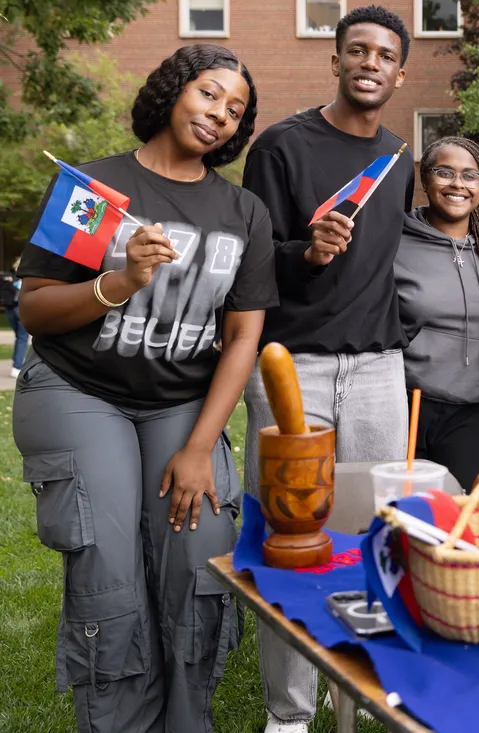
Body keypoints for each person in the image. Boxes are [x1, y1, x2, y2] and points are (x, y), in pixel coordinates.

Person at [12, 44, 273, 733]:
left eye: (236, 110)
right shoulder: (93, 190)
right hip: (78, 387)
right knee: (110, 566)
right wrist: (120, 282)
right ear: (174, 91)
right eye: (210, 94)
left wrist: (199, 445)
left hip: (181, 400)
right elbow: (35, 309)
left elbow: (242, 336)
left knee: (199, 553)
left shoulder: (243, 213)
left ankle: (189, 722)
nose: (220, 114)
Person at [239, 6, 413, 731]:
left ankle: (362, 684)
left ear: (400, 73)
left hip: (378, 368)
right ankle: (288, 711)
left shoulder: (399, 155)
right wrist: (303, 252)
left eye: (383, 55)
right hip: (292, 369)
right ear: (335, 61)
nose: (370, 62)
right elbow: (250, 261)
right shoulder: (282, 146)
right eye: (357, 50)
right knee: (290, 536)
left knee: (373, 535)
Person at [394, 136, 479, 491]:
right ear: (426, 179)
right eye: (445, 172)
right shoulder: (395, 240)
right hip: (407, 406)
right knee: (406, 521)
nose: (458, 184)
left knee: (474, 519)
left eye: (470, 176)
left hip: (471, 413)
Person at [1, 257, 29, 377]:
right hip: (20, 309)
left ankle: (16, 363)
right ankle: (17, 366)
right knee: (22, 337)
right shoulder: (25, 278)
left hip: (9, 309)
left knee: (19, 337)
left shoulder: (5, 276)